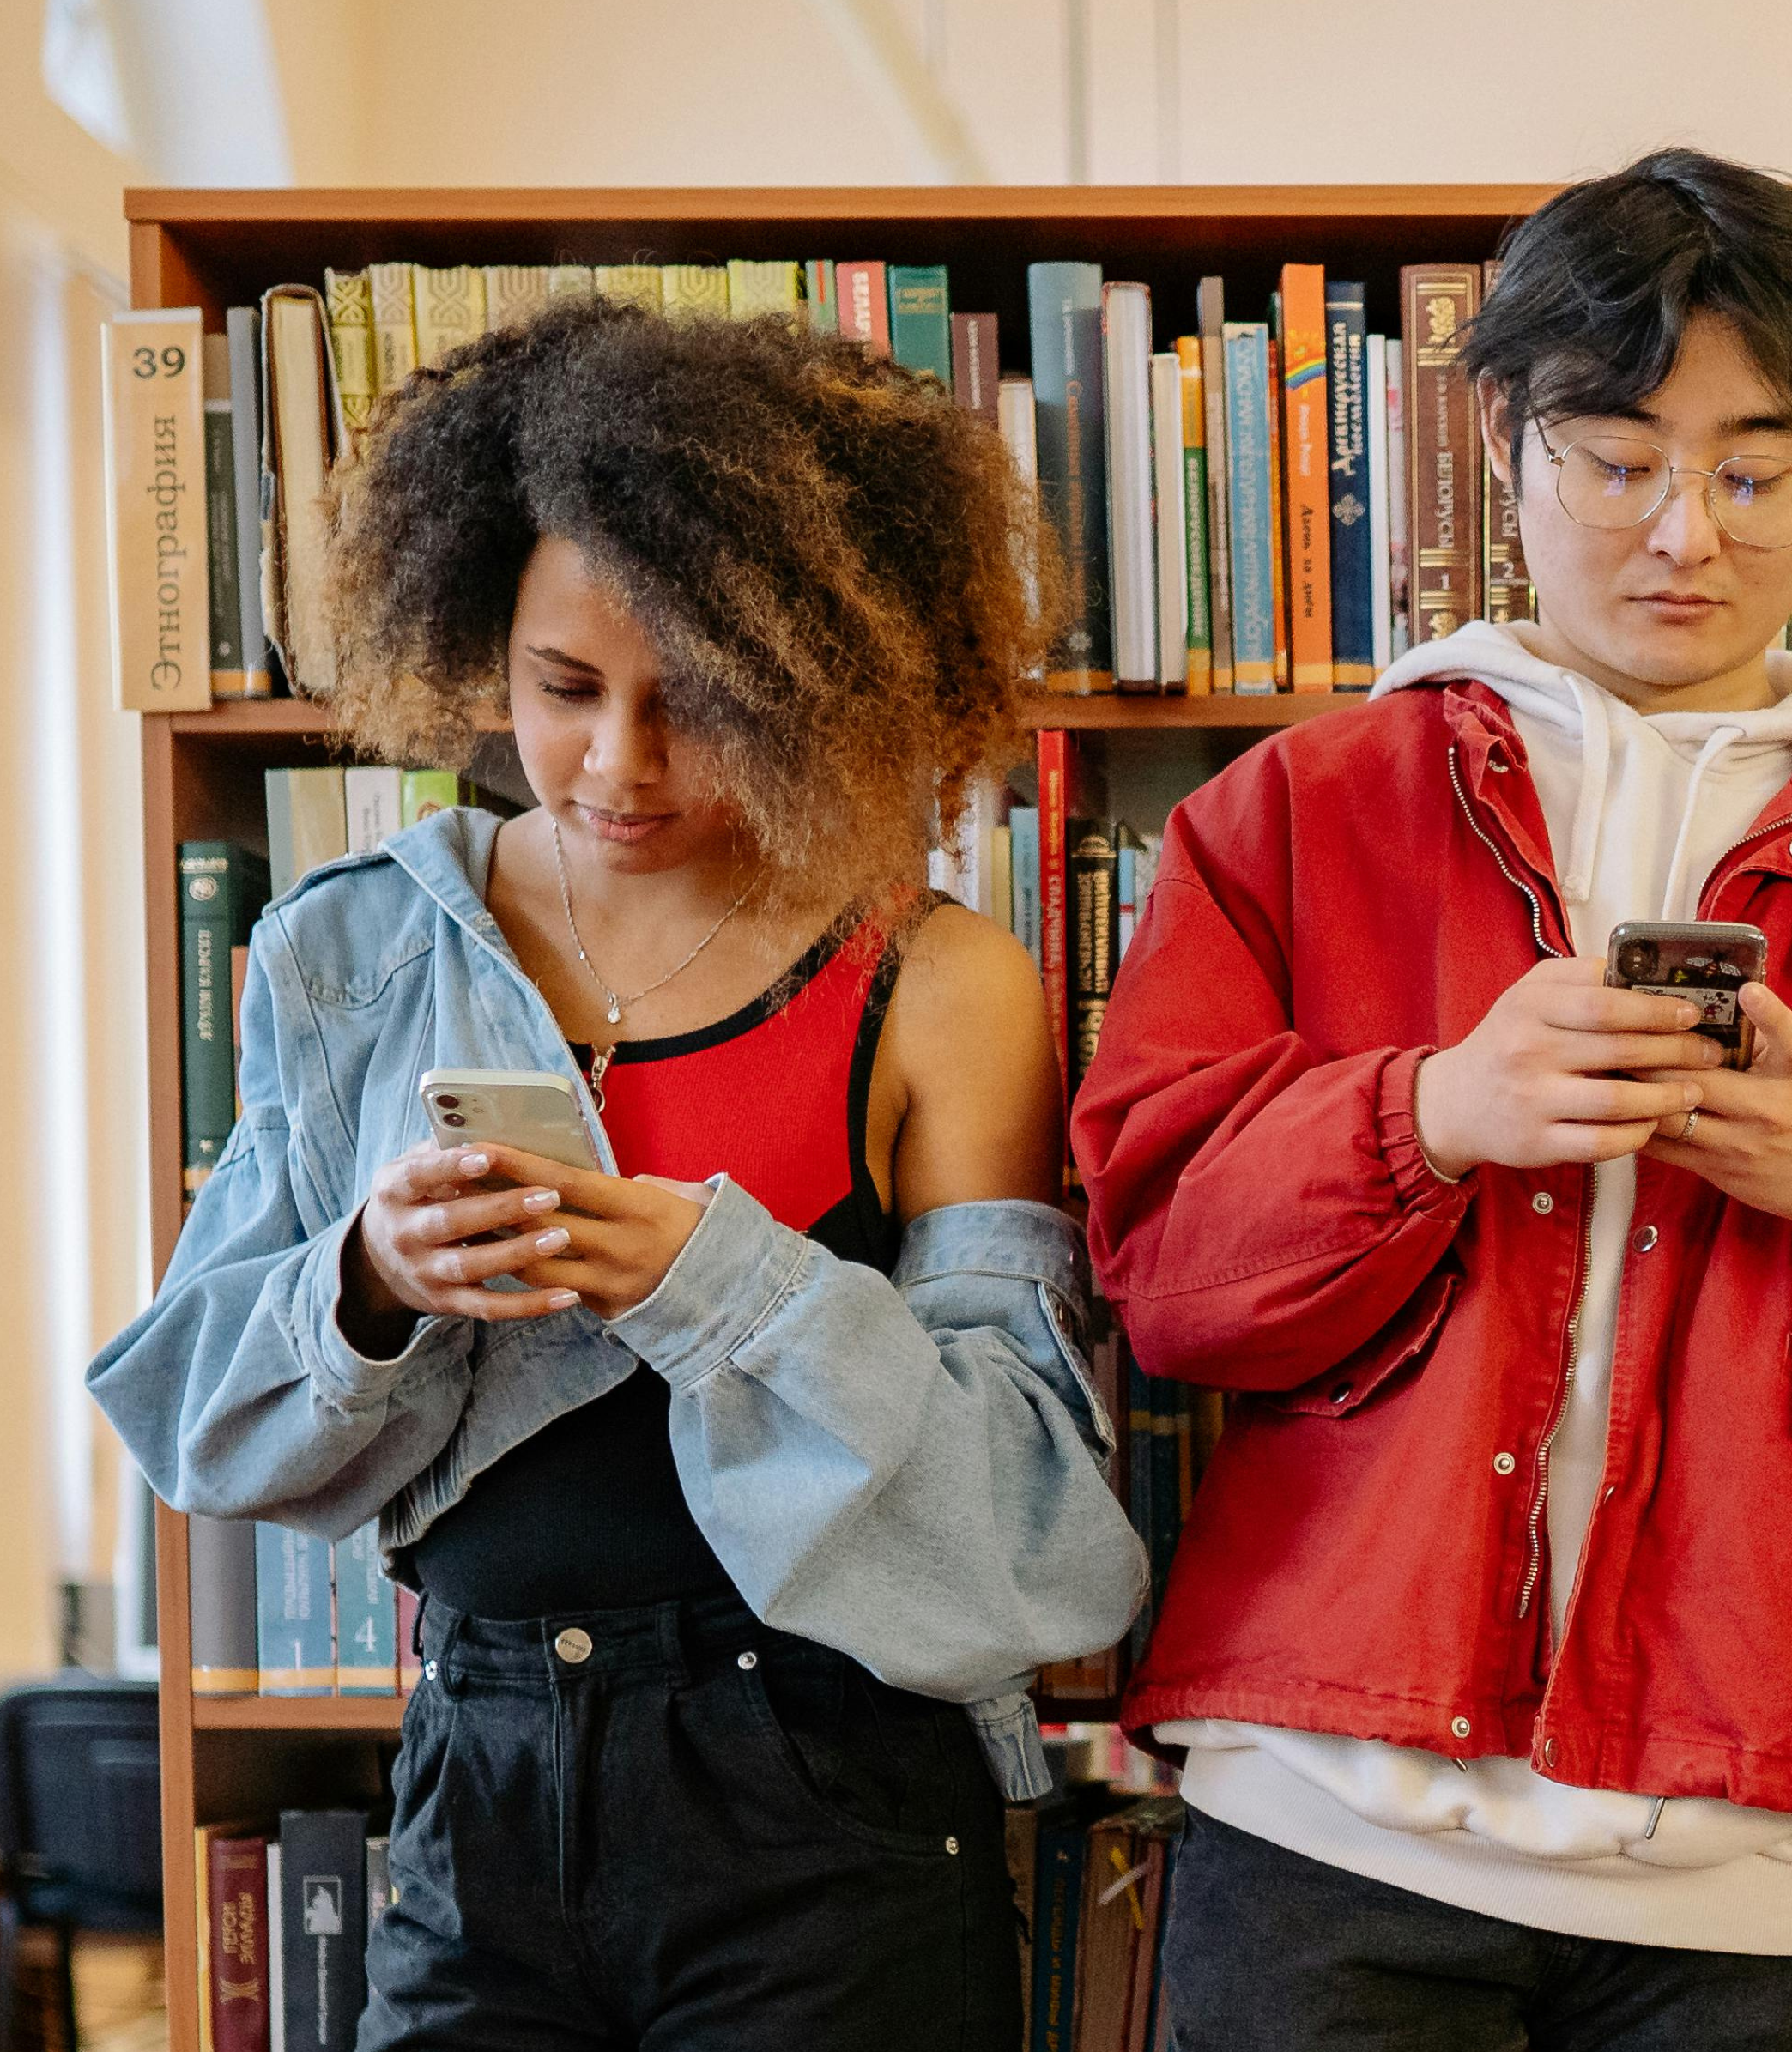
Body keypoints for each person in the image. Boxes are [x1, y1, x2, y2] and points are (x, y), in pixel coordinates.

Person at [1070, 148, 1792, 2052]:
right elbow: (1158, 1266)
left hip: (1763, 1842)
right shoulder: (1296, 809)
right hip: (1334, 1813)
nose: (1686, 533)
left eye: (1755, 471)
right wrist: (1428, 1113)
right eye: (1618, 460)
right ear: (1504, 441)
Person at [86, 296, 1148, 2048]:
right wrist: (361, 1278)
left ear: (826, 676)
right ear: (472, 640)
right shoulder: (346, 948)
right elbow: (200, 1428)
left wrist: (719, 1286)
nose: (616, 765)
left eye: (701, 701)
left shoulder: (933, 982)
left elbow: (1026, 1537)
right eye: (562, 688)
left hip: (829, 1782)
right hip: (474, 1768)